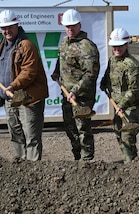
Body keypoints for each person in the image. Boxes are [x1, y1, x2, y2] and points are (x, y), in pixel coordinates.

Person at [0, 10, 49, 161]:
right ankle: (21, 164)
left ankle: (33, 167)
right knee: (15, 132)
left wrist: (13, 85)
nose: (6, 31)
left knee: (31, 134)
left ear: (16, 25)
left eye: (10, 27)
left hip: (28, 97)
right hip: (10, 97)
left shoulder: (27, 45)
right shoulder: (1, 44)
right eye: (3, 28)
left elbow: (29, 71)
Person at [51, 9, 100, 161]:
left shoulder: (87, 47)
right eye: (67, 26)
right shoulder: (65, 42)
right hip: (66, 94)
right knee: (70, 128)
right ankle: (77, 158)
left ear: (79, 25)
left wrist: (76, 91)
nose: (70, 29)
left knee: (83, 129)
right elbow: (61, 60)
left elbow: (91, 74)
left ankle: (87, 161)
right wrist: (56, 72)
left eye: (73, 26)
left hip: (82, 97)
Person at [100, 28, 139, 163]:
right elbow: (109, 76)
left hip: (132, 109)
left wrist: (122, 105)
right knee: (120, 137)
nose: (117, 49)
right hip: (118, 107)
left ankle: (130, 167)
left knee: (127, 138)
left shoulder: (133, 66)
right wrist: (103, 83)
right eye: (114, 46)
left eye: (119, 46)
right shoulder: (112, 60)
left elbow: (134, 90)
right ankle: (133, 162)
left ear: (126, 45)